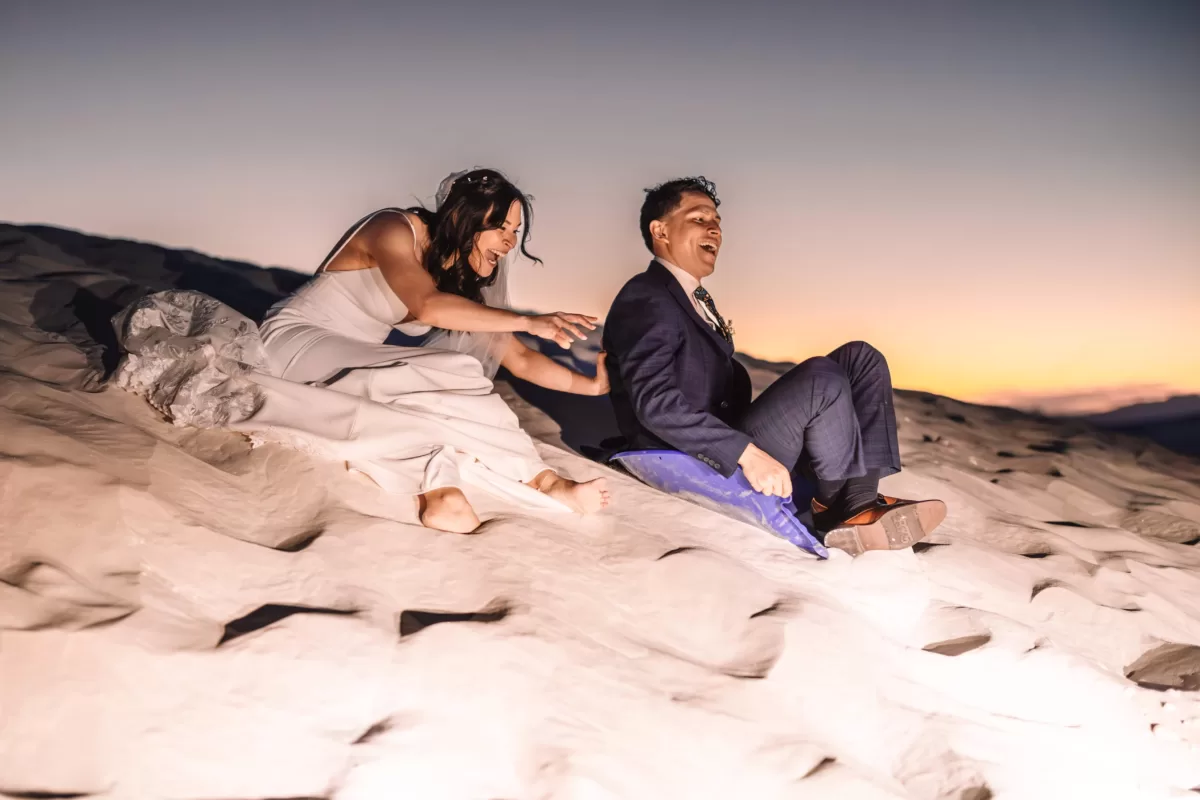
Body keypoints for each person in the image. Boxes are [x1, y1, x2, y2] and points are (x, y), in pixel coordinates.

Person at [116, 168, 610, 533]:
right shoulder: (394, 228)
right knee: (452, 368)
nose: (509, 242)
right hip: (292, 340)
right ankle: (503, 483)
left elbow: (518, 358)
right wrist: (530, 319)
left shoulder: (459, 278)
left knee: (455, 382)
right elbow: (427, 305)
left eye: (516, 232)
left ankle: (488, 489)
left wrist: (590, 385)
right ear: (467, 218)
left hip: (346, 355)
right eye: (502, 227)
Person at [601, 176, 945, 556]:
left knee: (862, 359)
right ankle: (838, 511)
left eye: (717, 221)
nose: (715, 229)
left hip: (729, 435)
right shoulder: (646, 295)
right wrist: (747, 453)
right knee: (820, 380)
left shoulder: (692, 299)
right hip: (692, 454)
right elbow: (655, 404)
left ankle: (859, 500)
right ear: (660, 230)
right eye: (699, 219)